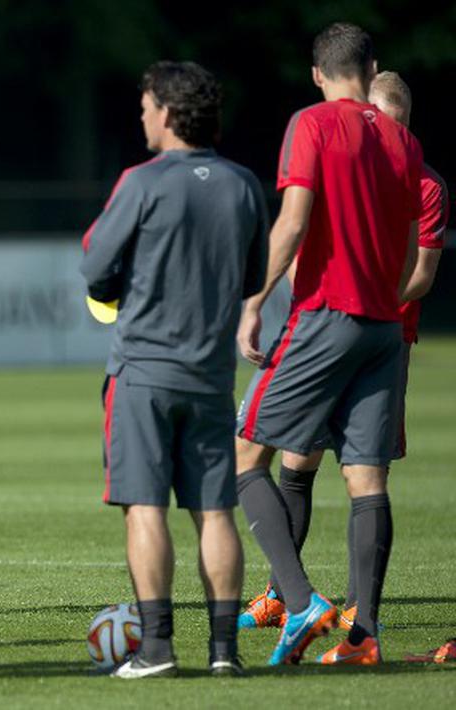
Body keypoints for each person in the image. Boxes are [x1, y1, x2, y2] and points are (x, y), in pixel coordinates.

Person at [234, 23, 422, 666]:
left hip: (325, 315)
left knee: (243, 455)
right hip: (383, 327)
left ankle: (298, 598)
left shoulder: (311, 124)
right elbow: (404, 250)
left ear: (318, 73)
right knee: (367, 479)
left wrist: (255, 301)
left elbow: (294, 218)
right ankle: (364, 639)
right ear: (371, 69)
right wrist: (383, 296)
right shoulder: (403, 140)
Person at [80, 61, 267, 678]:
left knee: (145, 508)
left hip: (143, 372)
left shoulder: (142, 180)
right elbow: (253, 277)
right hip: (212, 375)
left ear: (166, 111)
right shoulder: (242, 184)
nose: (141, 116)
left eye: (145, 106)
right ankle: (224, 653)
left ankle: (156, 649)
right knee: (215, 512)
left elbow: (96, 265)